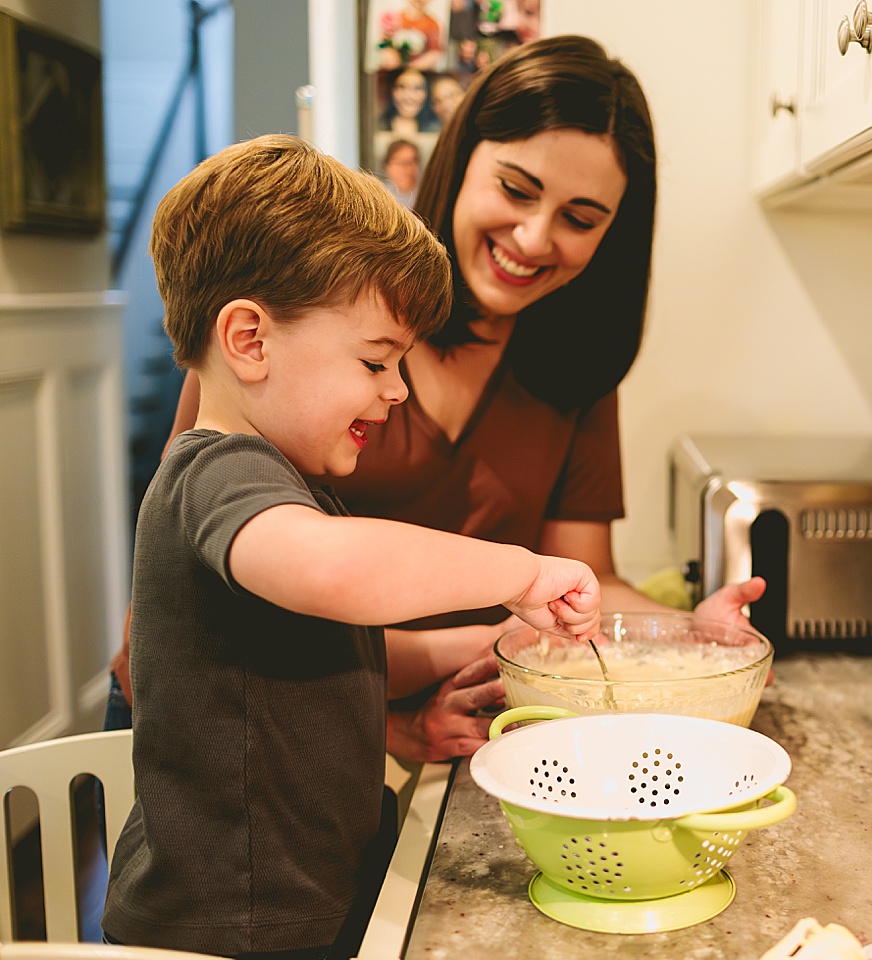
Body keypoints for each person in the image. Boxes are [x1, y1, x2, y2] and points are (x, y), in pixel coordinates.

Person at [107, 35, 764, 761]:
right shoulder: (282, 350)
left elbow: (584, 581)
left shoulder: (574, 367)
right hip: (281, 752)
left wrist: (691, 634)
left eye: (580, 219)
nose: (534, 236)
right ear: (461, 162)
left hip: (411, 738)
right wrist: (393, 731)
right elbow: (190, 630)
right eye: (516, 190)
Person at [100, 134, 602, 959]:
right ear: (250, 341)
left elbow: (345, 653)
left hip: (302, 906)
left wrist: (490, 641)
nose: (396, 390)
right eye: (376, 360)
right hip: (226, 930)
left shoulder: (284, 488)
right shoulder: (217, 475)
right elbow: (339, 572)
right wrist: (522, 570)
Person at [378, 67, 441, 136]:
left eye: (418, 88)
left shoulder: (436, 131)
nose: (409, 96)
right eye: (401, 87)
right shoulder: (376, 126)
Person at [382, 137, 422, 207]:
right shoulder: (380, 196)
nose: (407, 168)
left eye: (411, 162)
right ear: (388, 166)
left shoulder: (428, 194)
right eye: (400, 162)